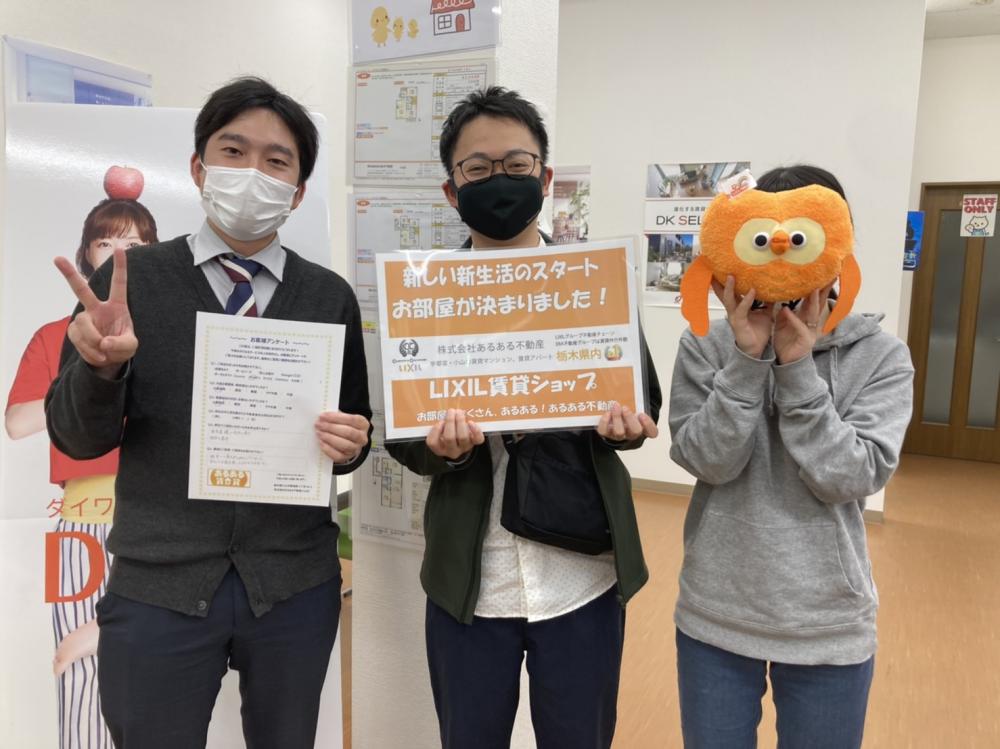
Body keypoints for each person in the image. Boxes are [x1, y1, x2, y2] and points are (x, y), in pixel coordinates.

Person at [45, 77, 372, 749]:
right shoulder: (130, 283)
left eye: (276, 161)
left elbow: (353, 428)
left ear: (297, 191)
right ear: (198, 168)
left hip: (292, 586)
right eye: (233, 151)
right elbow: (76, 438)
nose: (253, 173)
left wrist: (352, 443)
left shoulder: (328, 296)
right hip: (158, 584)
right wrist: (101, 369)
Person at [386, 86, 662, 749]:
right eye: (477, 169)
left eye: (516, 165)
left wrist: (628, 426)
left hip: (581, 576)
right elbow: (401, 435)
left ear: (544, 177)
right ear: (452, 190)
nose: (499, 180)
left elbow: (643, 399)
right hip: (470, 580)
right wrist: (444, 448)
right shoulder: (421, 298)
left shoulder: (594, 281)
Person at [668, 165, 915, 748]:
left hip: (827, 621)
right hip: (717, 612)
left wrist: (798, 370)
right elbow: (706, 460)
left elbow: (853, 475)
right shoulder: (705, 343)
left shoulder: (880, 356)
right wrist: (747, 361)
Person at [5, 192, 158, 749]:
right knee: (80, 682)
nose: (118, 254)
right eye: (105, 242)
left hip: (162, 522)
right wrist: (91, 370)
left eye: (133, 245)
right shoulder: (55, 335)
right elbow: (18, 423)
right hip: (81, 525)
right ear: (86, 252)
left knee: (157, 679)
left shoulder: (168, 335)